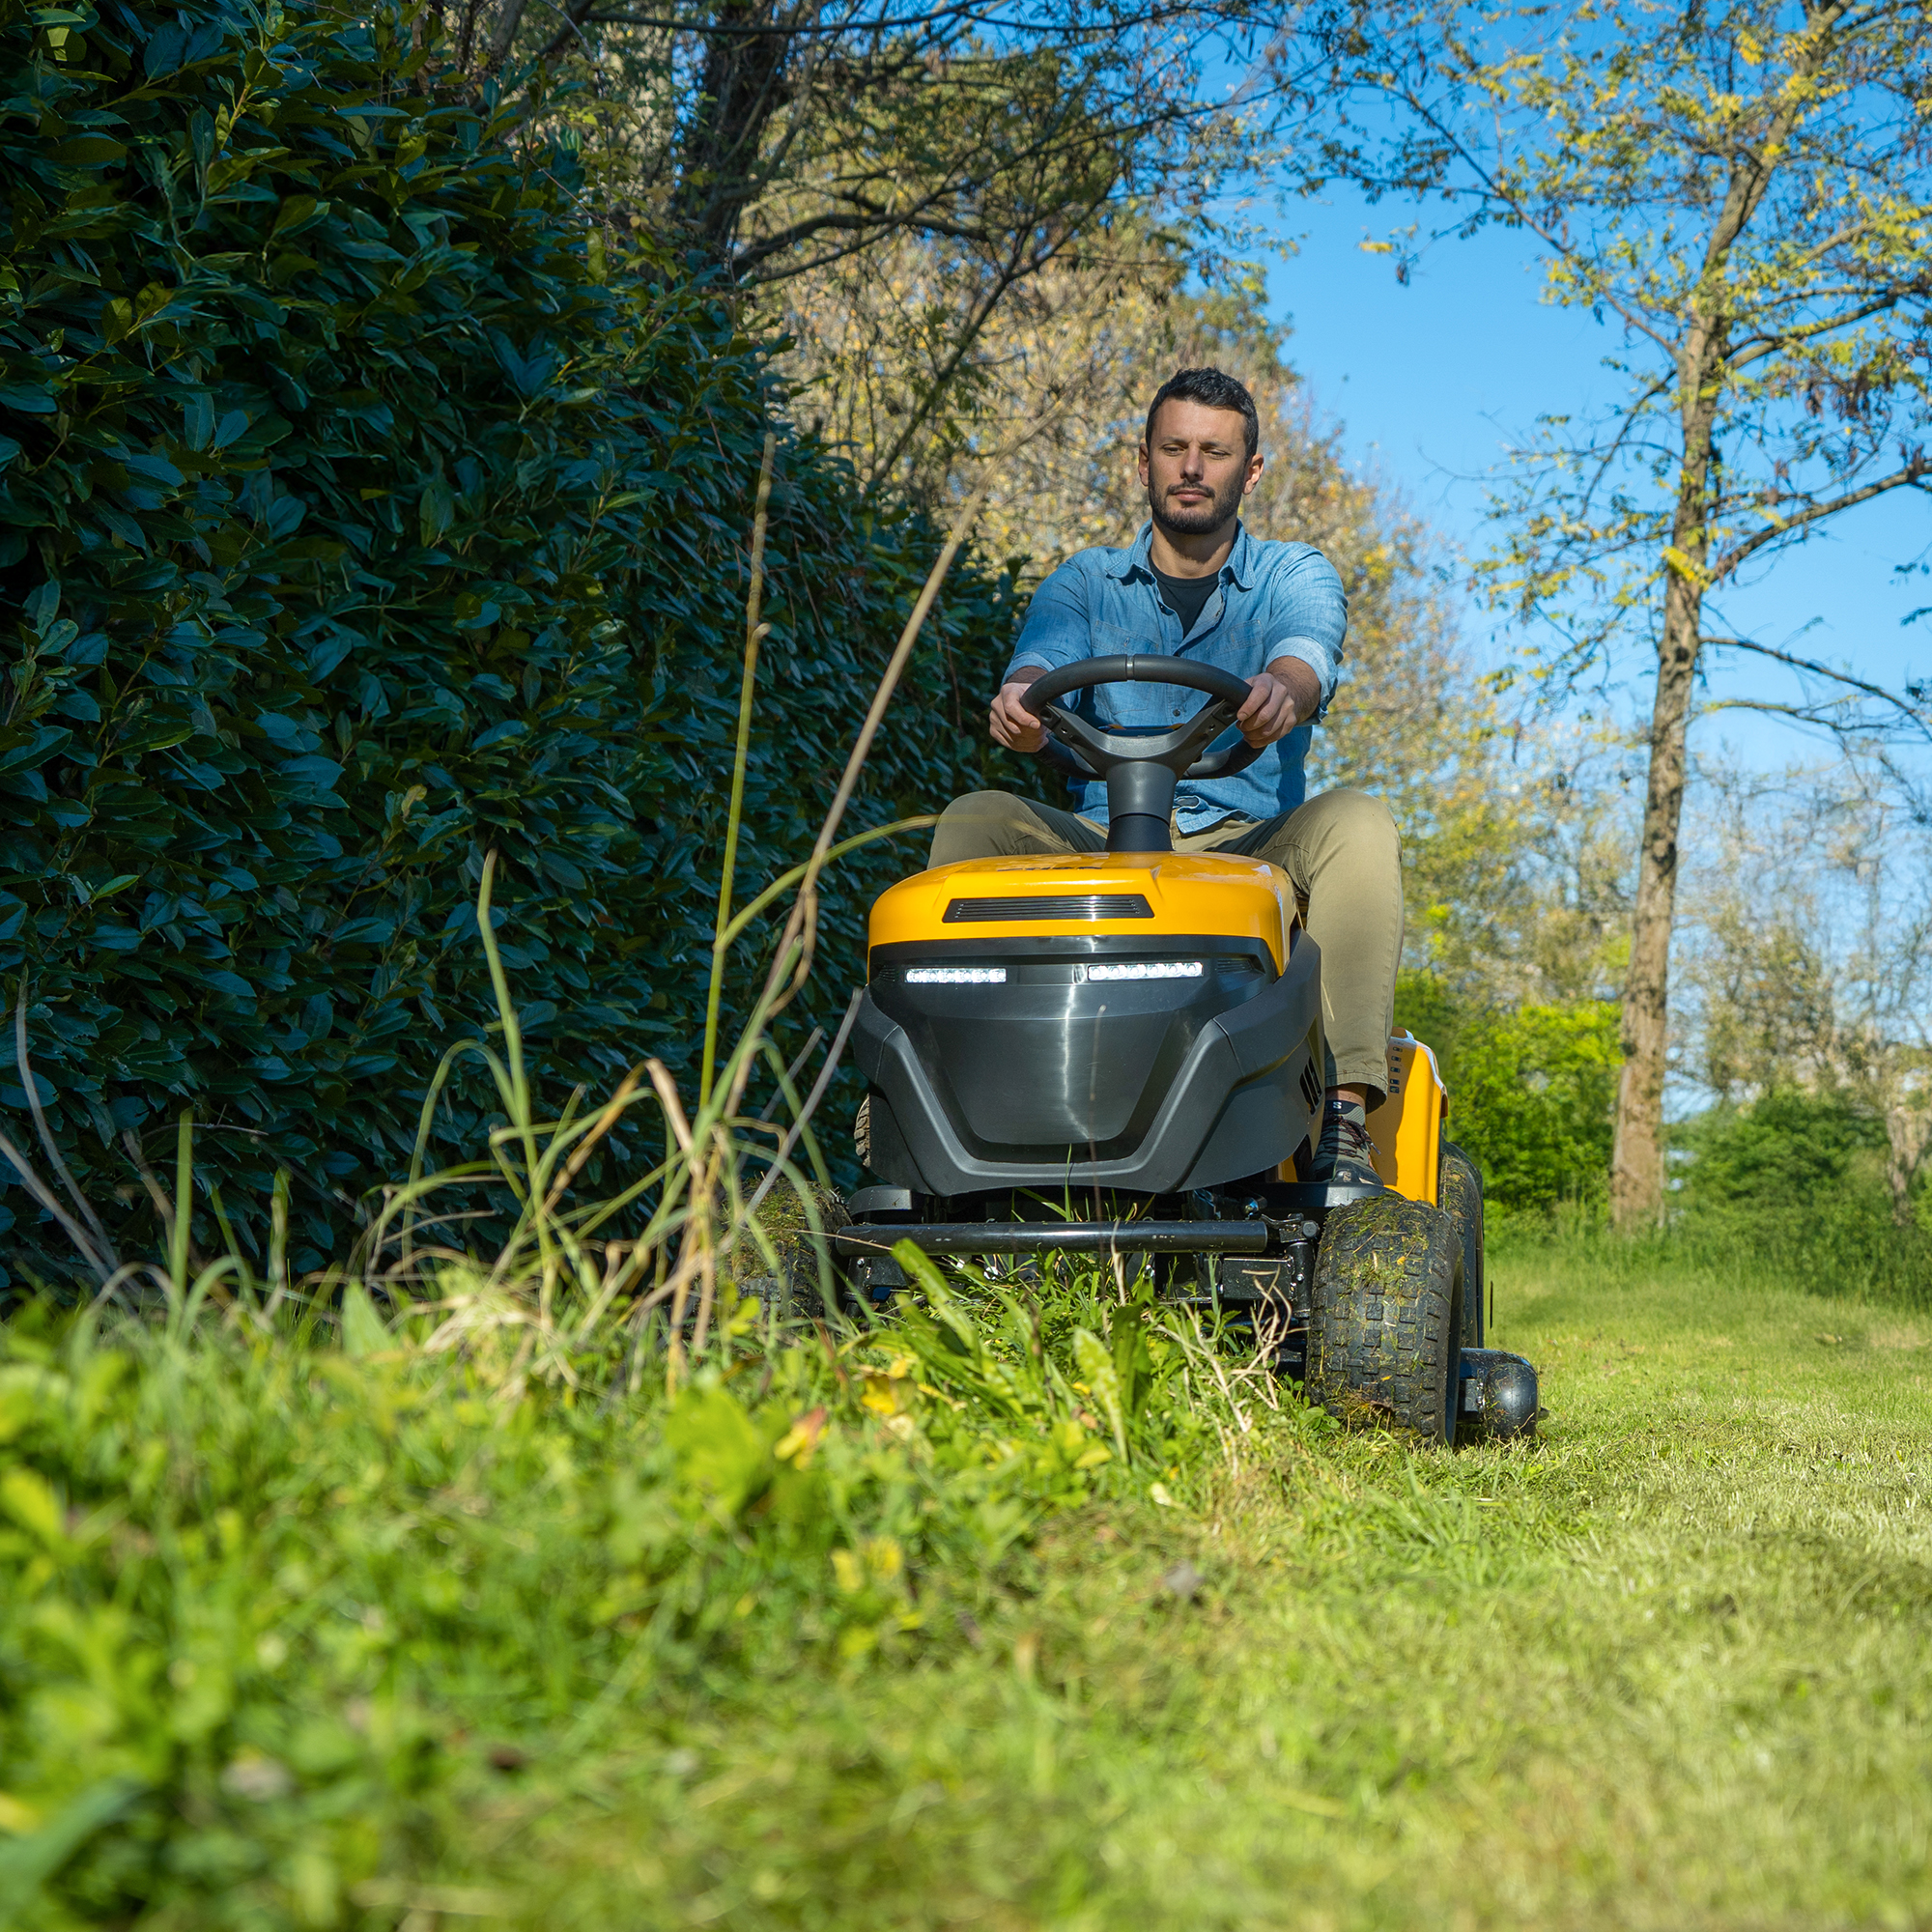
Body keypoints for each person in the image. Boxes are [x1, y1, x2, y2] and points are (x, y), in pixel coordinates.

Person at [928, 364, 1401, 1187]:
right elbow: (1041, 657)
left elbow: (1308, 649)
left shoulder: (1294, 573)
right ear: (1141, 462)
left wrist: (1283, 690)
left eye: (1214, 452)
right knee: (976, 817)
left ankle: (1346, 1117)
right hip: (1101, 840)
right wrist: (1020, 701)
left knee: (1358, 823)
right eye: (1173, 448)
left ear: (1249, 471)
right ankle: (943, 1089)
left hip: (1247, 846)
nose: (1191, 468)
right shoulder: (1085, 581)